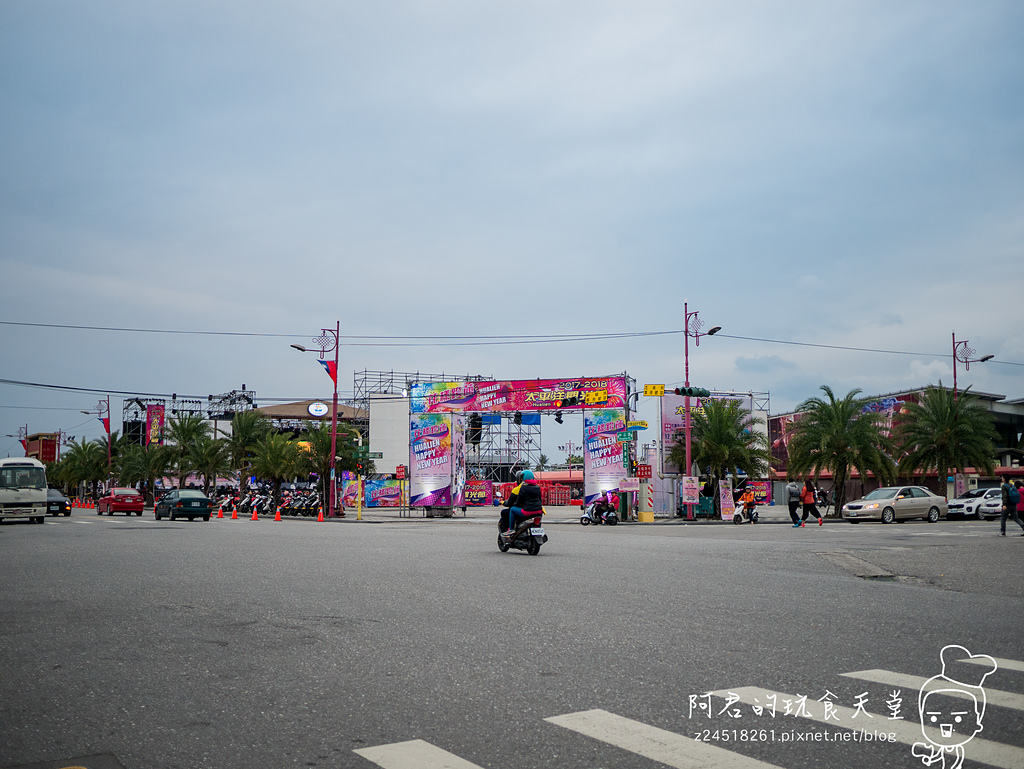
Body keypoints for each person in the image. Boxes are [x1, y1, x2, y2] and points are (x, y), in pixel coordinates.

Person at [502, 470, 544, 539]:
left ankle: (511, 529)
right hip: (538, 511)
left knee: (512, 509)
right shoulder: (537, 487)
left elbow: (519, 501)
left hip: (528, 511)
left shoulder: (523, 488)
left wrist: (515, 505)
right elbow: (540, 500)